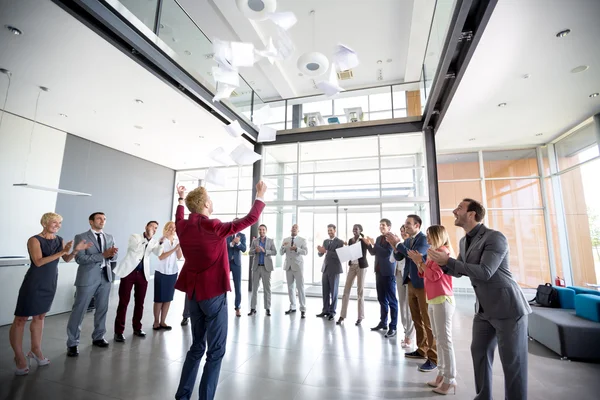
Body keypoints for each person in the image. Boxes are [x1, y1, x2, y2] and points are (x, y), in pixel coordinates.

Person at [427, 199, 531, 400]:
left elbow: (486, 272)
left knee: (513, 363)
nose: (454, 211)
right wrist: (442, 264)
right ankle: (483, 397)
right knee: (479, 354)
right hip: (483, 310)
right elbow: (458, 271)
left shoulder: (495, 238)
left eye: (459, 208)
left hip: (508, 308)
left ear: (472, 214)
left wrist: (448, 261)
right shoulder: (464, 241)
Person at [174, 181, 266, 400]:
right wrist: (260, 196)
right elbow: (250, 219)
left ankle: (182, 396)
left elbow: (179, 217)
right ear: (206, 203)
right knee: (215, 352)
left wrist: (180, 199)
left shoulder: (183, 227)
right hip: (213, 294)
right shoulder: (213, 225)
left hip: (194, 295)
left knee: (196, 346)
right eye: (210, 198)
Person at [10, 212, 92, 375]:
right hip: (34, 283)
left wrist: (75, 250)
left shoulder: (59, 240)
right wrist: (62, 252)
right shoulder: (34, 240)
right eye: (54, 222)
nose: (57, 225)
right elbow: (39, 262)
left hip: (50, 282)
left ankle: (35, 350)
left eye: (59, 223)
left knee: (40, 317)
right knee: (21, 319)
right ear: (45, 223)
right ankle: (18, 356)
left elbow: (67, 259)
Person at [407, 225, 457, 395]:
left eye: (429, 236)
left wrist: (420, 262)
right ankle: (442, 374)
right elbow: (425, 273)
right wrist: (419, 263)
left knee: (445, 340)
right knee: (438, 337)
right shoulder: (433, 252)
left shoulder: (443, 252)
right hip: (434, 298)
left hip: (443, 299)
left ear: (437, 236)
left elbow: (434, 275)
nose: (427, 239)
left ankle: (450, 379)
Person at [386, 214, 437, 372]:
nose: (406, 226)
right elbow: (399, 255)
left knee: (427, 320)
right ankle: (422, 349)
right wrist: (395, 246)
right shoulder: (408, 240)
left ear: (417, 225)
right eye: (405, 223)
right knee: (416, 318)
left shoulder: (423, 239)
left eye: (409, 223)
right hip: (410, 282)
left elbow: (417, 257)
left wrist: (398, 244)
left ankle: (433, 356)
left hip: (421, 283)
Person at [66, 212, 118, 357]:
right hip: (87, 278)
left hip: (105, 277)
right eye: (99, 218)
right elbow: (80, 259)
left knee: (102, 308)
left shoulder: (109, 237)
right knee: (79, 310)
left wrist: (112, 254)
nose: (102, 221)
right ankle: (72, 343)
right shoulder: (81, 237)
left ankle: (99, 337)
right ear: (91, 221)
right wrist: (103, 255)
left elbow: (113, 256)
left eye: (104, 219)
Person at [113, 221, 164, 342]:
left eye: (156, 228)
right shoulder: (135, 237)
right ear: (146, 227)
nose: (154, 229)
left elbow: (157, 253)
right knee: (123, 302)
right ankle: (119, 331)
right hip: (129, 272)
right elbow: (134, 249)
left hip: (143, 274)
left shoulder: (154, 241)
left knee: (140, 303)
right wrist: (148, 238)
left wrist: (160, 243)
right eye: (152, 226)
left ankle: (137, 328)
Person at [366, 219, 398, 338]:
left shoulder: (392, 238)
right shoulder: (379, 238)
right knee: (381, 299)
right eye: (380, 225)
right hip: (379, 272)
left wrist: (375, 244)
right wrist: (369, 244)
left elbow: (386, 253)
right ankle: (383, 322)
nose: (381, 227)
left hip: (388, 273)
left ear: (389, 227)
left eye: (383, 225)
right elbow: (374, 252)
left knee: (392, 301)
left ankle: (393, 326)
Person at [337, 224, 369, 326]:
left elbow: (368, 251)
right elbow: (350, 253)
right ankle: (342, 315)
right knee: (346, 290)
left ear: (360, 230)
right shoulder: (351, 240)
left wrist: (366, 242)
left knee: (360, 291)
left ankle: (360, 317)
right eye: (353, 228)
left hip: (361, 266)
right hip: (352, 266)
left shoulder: (364, 240)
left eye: (356, 229)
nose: (354, 230)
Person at [153, 221, 182, 330]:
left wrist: (179, 248)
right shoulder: (161, 240)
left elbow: (179, 257)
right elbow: (161, 257)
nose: (172, 229)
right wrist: (174, 249)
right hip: (161, 272)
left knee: (168, 298)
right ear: (166, 228)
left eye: (174, 228)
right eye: (170, 227)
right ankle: (156, 321)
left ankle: (163, 321)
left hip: (172, 272)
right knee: (159, 299)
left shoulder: (177, 240)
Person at [316, 224, 344, 321]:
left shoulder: (340, 242)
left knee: (334, 292)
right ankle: (325, 310)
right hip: (325, 269)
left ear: (335, 230)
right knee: (325, 291)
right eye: (328, 230)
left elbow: (339, 255)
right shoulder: (325, 241)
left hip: (335, 269)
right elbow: (321, 254)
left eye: (331, 230)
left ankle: (332, 312)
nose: (329, 232)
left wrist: (326, 251)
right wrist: (320, 251)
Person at [280, 224, 308, 318]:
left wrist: (297, 249)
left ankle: (303, 309)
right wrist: (283, 247)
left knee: (300, 288)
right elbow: (281, 253)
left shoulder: (302, 240)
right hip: (288, 266)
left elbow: (305, 252)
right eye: (293, 227)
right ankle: (293, 307)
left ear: (298, 230)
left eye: (296, 228)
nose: (294, 229)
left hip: (298, 266)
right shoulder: (285, 240)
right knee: (290, 287)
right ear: (290, 229)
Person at [248, 224, 277, 316]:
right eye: (260, 230)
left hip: (266, 268)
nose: (262, 231)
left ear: (266, 230)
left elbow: (274, 252)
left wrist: (265, 251)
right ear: (258, 231)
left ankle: (267, 308)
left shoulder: (271, 241)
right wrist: (255, 251)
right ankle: (253, 308)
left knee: (267, 289)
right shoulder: (255, 241)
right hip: (256, 267)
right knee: (254, 289)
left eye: (263, 230)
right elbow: (250, 252)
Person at [396, 225, 416, 349]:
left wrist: (398, 246)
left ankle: (410, 337)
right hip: (399, 274)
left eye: (404, 231)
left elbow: (409, 256)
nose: (403, 233)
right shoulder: (401, 245)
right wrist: (395, 246)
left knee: (409, 308)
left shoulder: (408, 245)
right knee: (402, 305)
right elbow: (394, 258)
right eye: (401, 231)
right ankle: (406, 333)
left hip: (409, 277)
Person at [227, 220, 247, 317]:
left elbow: (244, 249)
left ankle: (237, 308)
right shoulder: (227, 233)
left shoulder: (242, 236)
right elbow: (225, 246)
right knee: (223, 285)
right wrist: (232, 243)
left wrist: (238, 243)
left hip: (236, 264)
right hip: (226, 263)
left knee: (237, 286)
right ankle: (222, 306)